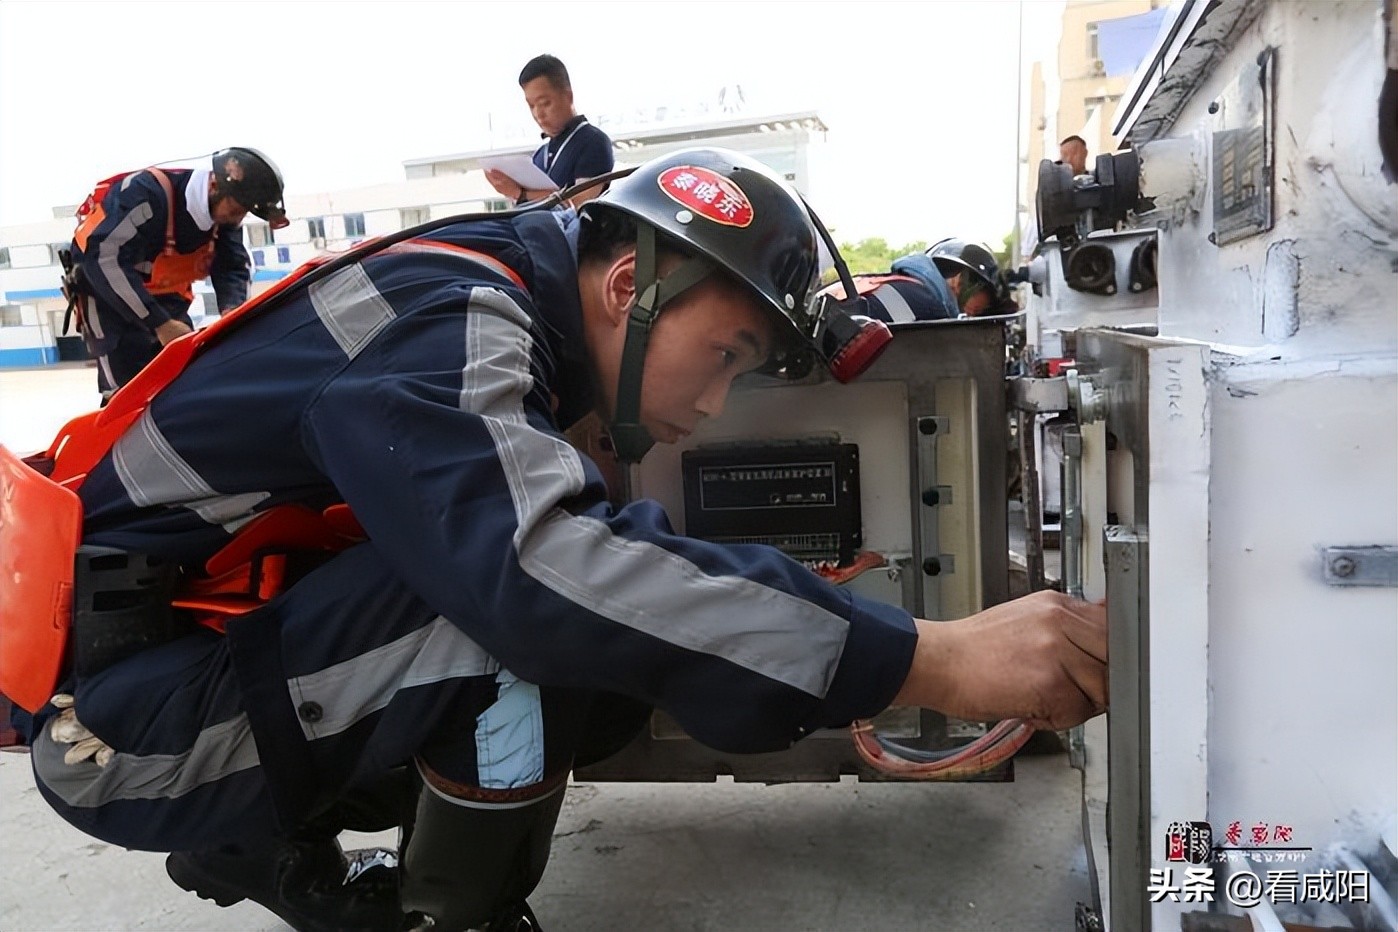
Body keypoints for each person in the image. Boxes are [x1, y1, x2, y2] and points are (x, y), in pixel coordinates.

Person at [9, 147, 1105, 932]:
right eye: (722, 355)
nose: (719, 404)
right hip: (119, 727)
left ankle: (263, 822)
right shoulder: (460, 315)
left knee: (611, 644)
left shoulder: (490, 288)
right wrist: (927, 655)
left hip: (185, 662)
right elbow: (540, 568)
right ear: (629, 285)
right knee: (537, 613)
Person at [63, 147, 287, 398]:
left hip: (168, 300)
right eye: (237, 208)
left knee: (182, 387)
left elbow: (233, 267)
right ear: (214, 186)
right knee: (127, 397)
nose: (239, 217)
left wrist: (231, 310)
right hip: (109, 298)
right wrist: (160, 324)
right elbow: (103, 258)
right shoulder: (147, 195)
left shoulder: (225, 218)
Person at [485, 54, 615, 208]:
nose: (538, 114)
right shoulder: (540, 154)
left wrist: (520, 194)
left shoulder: (593, 142)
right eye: (531, 105)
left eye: (545, 103)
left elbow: (579, 204)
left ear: (568, 96)